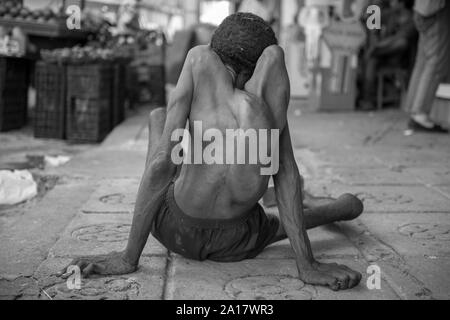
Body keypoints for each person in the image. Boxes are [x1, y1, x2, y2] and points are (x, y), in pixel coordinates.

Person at [58, 13, 364, 291]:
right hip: (239, 240)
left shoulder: (199, 60)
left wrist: (128, 257)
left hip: (171, 229)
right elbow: (286, 174)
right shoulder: (267, 107)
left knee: (159, 118)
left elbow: (162, 164)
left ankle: (328, 205)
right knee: (287, 205)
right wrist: (307, 265)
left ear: (220, 59)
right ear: (254, 74)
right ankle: (343, 207)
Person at [360, 0, 417, 111]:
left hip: (400, 58)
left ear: (401, 4)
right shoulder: (389, 15)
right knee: (372, 60)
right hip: (385, 54)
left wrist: (379, 46)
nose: (392, 4)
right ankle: (367, 100)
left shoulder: (411, 19)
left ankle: (375, 50)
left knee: (401, 43)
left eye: (395, 2)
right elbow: (368, 18)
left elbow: (400, 39)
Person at [405, 0, 450, 133]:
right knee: (435, 63)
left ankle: (413, 108)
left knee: (422, 62)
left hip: (421, 9)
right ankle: (420, 113)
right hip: (435, 10)